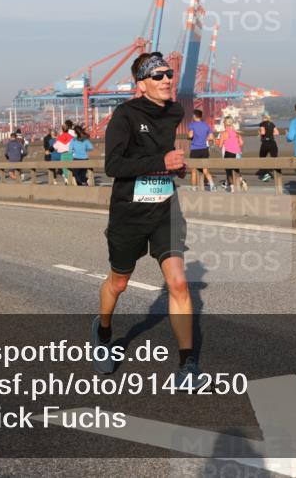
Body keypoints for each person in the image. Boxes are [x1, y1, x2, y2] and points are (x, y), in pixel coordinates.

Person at [92, 51, 207, 388]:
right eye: (157, 75)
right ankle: (103, 333)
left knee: (179, 283)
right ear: (141, 85)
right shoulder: (125, 115)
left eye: (168, 73)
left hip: (164, 209)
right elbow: (113, 166)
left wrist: (174, 167)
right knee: (119, 283)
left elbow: (161, 156)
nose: (167, 79)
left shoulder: (174, 111)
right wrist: (161, 162)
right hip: (129, 212)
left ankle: (187, 366)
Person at [187, 109, 215, 192]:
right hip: (204, 150)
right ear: (201, 116)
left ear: (194, 116)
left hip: (195, 150)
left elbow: (190, 135)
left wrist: (189, 136)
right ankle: (212, 185)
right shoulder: (206, 125)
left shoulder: (192, 125)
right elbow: (211, 137)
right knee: (205, 170)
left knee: (193, 170)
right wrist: (204, 139)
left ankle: (194, 188)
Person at [216, 116, 246, 192]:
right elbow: (241, 143)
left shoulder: (223, 133)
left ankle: (232, 188)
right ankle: (242, 181)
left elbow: (220, 146)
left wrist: (217, 141)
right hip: (238, 153)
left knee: (229, 171)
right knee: (236, 170)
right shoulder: (236, 132)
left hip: (229, 153)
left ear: (225, 124)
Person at [256, 112, 281, 182]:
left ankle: (265, 174)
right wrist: (270, 133)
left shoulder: (262, 124)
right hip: (272, 143)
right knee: (275, 158)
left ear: (263, 117)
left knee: (262, 158)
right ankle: (278, 174)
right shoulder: (272, 124)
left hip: (265, 143)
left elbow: (263, 132)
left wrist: (260, 132)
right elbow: (277, 133)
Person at [54, 121, 75, 185]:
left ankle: (66, 180)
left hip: (63, 154)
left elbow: (55, 147)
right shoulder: (72, 136)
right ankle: (73, 180)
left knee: (65, 168)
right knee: (72, 168)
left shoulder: (60, 137)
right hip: (71, 153)